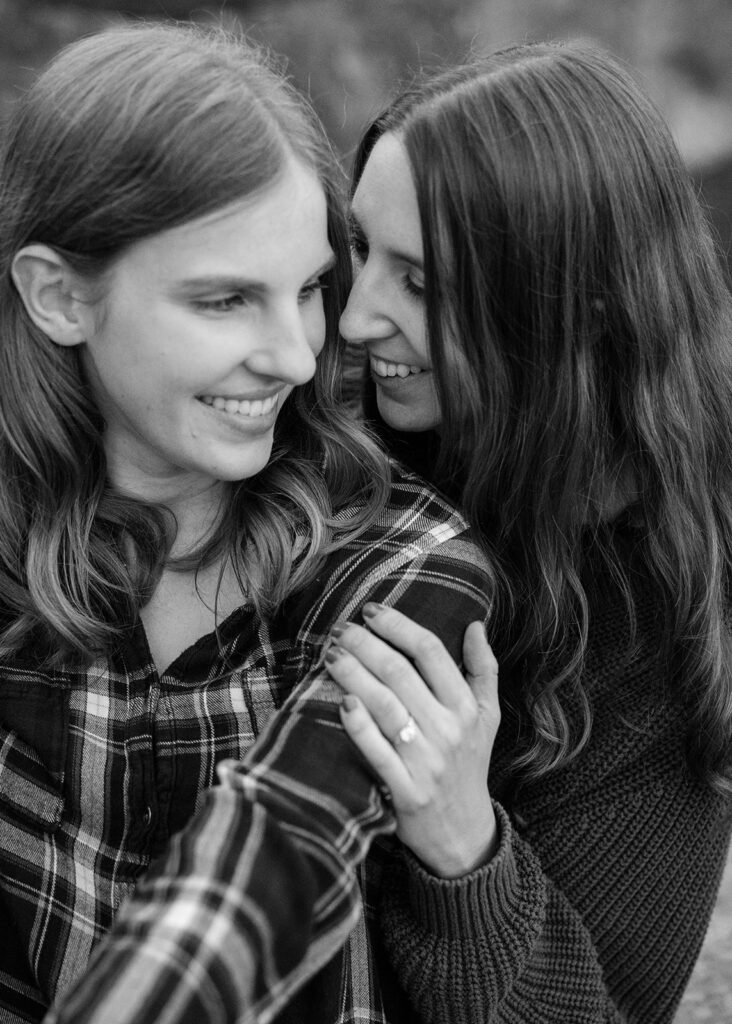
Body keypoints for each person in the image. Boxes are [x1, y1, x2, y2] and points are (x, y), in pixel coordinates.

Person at [40, 38, 732, 1024]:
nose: (354, 323)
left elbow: (610, 1008)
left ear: (567, 308)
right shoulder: (323, 426)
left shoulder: (662, 599)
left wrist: (462, 846)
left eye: (422, 282)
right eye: (359, 253)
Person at [0, 22, 495, 1024]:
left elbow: (266, 858)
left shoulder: (400, 558)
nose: (298, 358)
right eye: (225, 300)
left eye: (307, 289)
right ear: (59, 297)